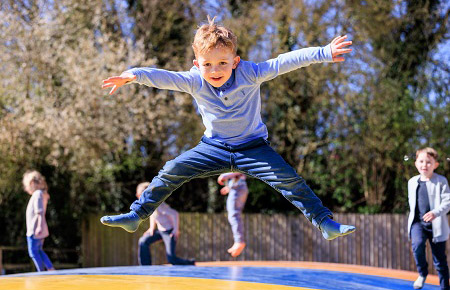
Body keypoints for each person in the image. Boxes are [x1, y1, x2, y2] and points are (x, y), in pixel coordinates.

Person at [100, 16, 356, 241]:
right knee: (171, 170)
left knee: (288, 179)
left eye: (222, 63)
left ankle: (324, 222)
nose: (215, 70)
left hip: (253, 147)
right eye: (207, 64)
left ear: (235, 61)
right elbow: (166, 78)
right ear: (197, 64)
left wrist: (323, 52)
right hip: (213, 147)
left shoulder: (251, 73)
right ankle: (137, 215)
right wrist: (134, 75)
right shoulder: (195, 81)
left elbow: (284, 62)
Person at [407, 147, 450, 290]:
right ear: (416, 163)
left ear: (435, 165)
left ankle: (445, 287)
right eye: (421, 161)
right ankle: (422, 272)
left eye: (429, 162)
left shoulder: (441, 181)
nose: (424, 165)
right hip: (418, 223)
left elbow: (447, 202)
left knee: (439, 260)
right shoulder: (412, 182)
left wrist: (435, 212)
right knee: (417, 246)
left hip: (436, 226)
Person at [135, 182, 195, 265]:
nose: (139, 197)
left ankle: (190, 263)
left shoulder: (159, 204)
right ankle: (145, 267)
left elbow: (174, 214)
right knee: (143, 241)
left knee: (171, 259)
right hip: (160, 231)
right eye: (138, 195)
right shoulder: (149, 205)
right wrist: (152, 228)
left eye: (141, 195)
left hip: (169, 232)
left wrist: (175, 230)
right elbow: (153, 215)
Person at [22, 170, 55, 272]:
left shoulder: (37, 194)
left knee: (33, 252)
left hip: (35, 229)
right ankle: (50, 268)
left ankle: (41, 271)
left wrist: (39, 226)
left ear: (31, 183)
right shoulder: (40, 194)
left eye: (27, 186)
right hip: (39, 228)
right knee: (39, 250)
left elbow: (39, 211)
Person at [217, 172, 248, 257]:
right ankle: (238, 241)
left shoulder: (235, 159)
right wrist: (228, 187)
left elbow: (240, 170)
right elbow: (237, 176)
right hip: (238, 188)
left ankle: (239, 241)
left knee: (233, 215)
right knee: (234, 214)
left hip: (238, 188)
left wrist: (224, 175)